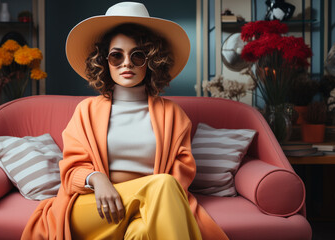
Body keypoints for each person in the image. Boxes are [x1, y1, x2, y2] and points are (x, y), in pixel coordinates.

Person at [22, 2, 228, 240]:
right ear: (104, 61)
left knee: (141, 231)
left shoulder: (173, 114)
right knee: (162, 184)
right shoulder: (86, 111)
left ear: (151, 60)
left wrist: (145, 207)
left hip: (149, 208)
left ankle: (140, 220)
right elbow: (70, 172)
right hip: (93, 208)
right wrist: (97, 179)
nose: (127, 63)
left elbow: (182, 173)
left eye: (137, 56)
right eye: (116, 56)